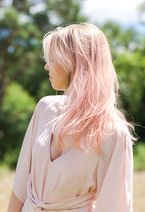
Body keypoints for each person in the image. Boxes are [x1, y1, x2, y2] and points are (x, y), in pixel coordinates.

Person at [7, 23, 135, 212]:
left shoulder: (113, 131)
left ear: (73, 62)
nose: (45, 66)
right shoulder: (45, 108)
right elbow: (20, 183)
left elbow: (115, 206)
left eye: (52, 58)